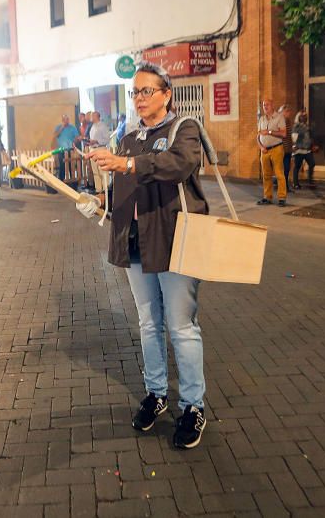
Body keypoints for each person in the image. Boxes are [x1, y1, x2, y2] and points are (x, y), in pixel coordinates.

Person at [81, 62, 208, 450]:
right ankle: (156, 394)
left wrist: (128, 164)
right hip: (136, 242)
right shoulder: (129, 137)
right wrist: (100, 200)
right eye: (134, 92)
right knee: (149, 323)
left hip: (174, 241)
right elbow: (125, 188)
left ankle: (192, 406)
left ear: (166, 94)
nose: (138, 99)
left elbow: (178, 165)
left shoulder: (183, 129)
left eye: (145, 91)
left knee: (181, 326)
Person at [257, 99, 287, 206]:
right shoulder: (261, 119)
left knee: (279, 174)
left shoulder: (279, 117)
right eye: (264, 105)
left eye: (267, 105)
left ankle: (282, 197)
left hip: (276, 148)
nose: (265, 107)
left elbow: (283, 134)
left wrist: (269, 132)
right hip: (264, 150)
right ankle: (267, 197)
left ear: (272, 105)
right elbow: (258, 135)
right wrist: (261, 147)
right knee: (266, 175)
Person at [88, 111, 111, 194]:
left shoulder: (103, 126)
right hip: (93, 149)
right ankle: (98, 190)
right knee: (95, 172)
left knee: (103, 171)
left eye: (92, 116)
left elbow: (107, 139)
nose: (91, 117)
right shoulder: (92, 126)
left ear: (97, 116)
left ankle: (106, 190)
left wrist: (96, 141)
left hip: (100, 149)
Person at [53, 114, 80, 185]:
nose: (66, 121)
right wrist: (62, 127)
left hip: (70, 149)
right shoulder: (58, 127)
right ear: (62, 120)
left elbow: (77, 137)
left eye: (67, 119)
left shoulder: (73, 127)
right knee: (62, 166)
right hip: (61, 150)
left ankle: (72, 182)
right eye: (65, 119)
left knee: (71, 166)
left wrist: (74, 141)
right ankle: (61, 182)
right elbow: (56, 135)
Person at [291, 109, 315, 189]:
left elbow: (309, 137)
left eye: (305, 116)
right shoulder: (297, 126)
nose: (305, 118)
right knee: (297, 166)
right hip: (299, 150)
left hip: (307, 149)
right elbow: (294, 137)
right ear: (299, 117)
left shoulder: (307, 126)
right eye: (303, 116)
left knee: (312, 163)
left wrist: (312, 145)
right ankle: (295, 183)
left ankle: (310, 180)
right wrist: (294, 145)